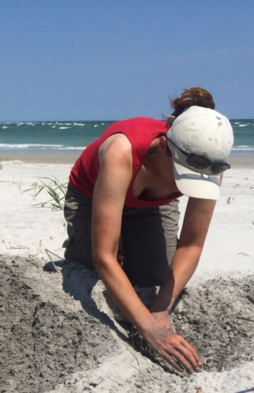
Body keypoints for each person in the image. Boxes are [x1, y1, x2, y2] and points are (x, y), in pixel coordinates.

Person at [63, 88, 234, 373]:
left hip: (151, 202)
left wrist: (161, 309)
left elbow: (191, 244)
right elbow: (103, 256)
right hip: (92, 193)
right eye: (182, 176)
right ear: (164, 147)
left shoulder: (210, 164)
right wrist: (149, 329)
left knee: (155, 279)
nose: (184, 187)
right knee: (86, 267)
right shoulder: (122, 151)